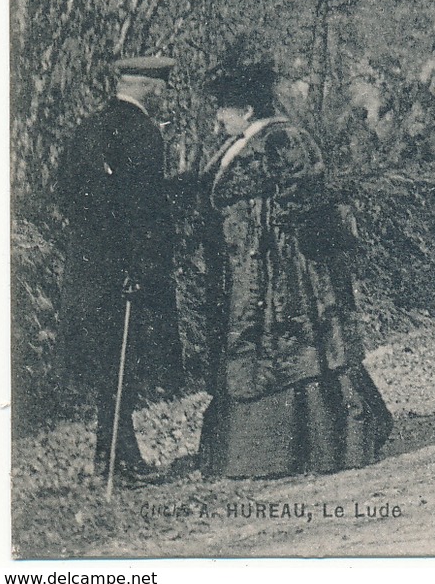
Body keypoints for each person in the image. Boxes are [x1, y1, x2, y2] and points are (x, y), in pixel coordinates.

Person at [196, 54, 391, 479]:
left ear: (246, 110)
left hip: (286, 272)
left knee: (291, 350)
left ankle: (302, 449)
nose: (216, 118)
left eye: (222, 109)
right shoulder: (243, 144)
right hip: (251, 269)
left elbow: (305, 199)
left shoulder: (283, 140)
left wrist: (264, 225)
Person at [55, 56, 184, 484]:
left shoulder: (85, 129)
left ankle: (114, 458)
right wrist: (143, 267)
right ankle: (116, 463)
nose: (165, 96)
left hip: (88, 266)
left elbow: (68, 197)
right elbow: (143, 211)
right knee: (123, 365)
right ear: (151, 88)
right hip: (127, 269)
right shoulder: (142, 133)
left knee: (111, 367)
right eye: (162, 88)